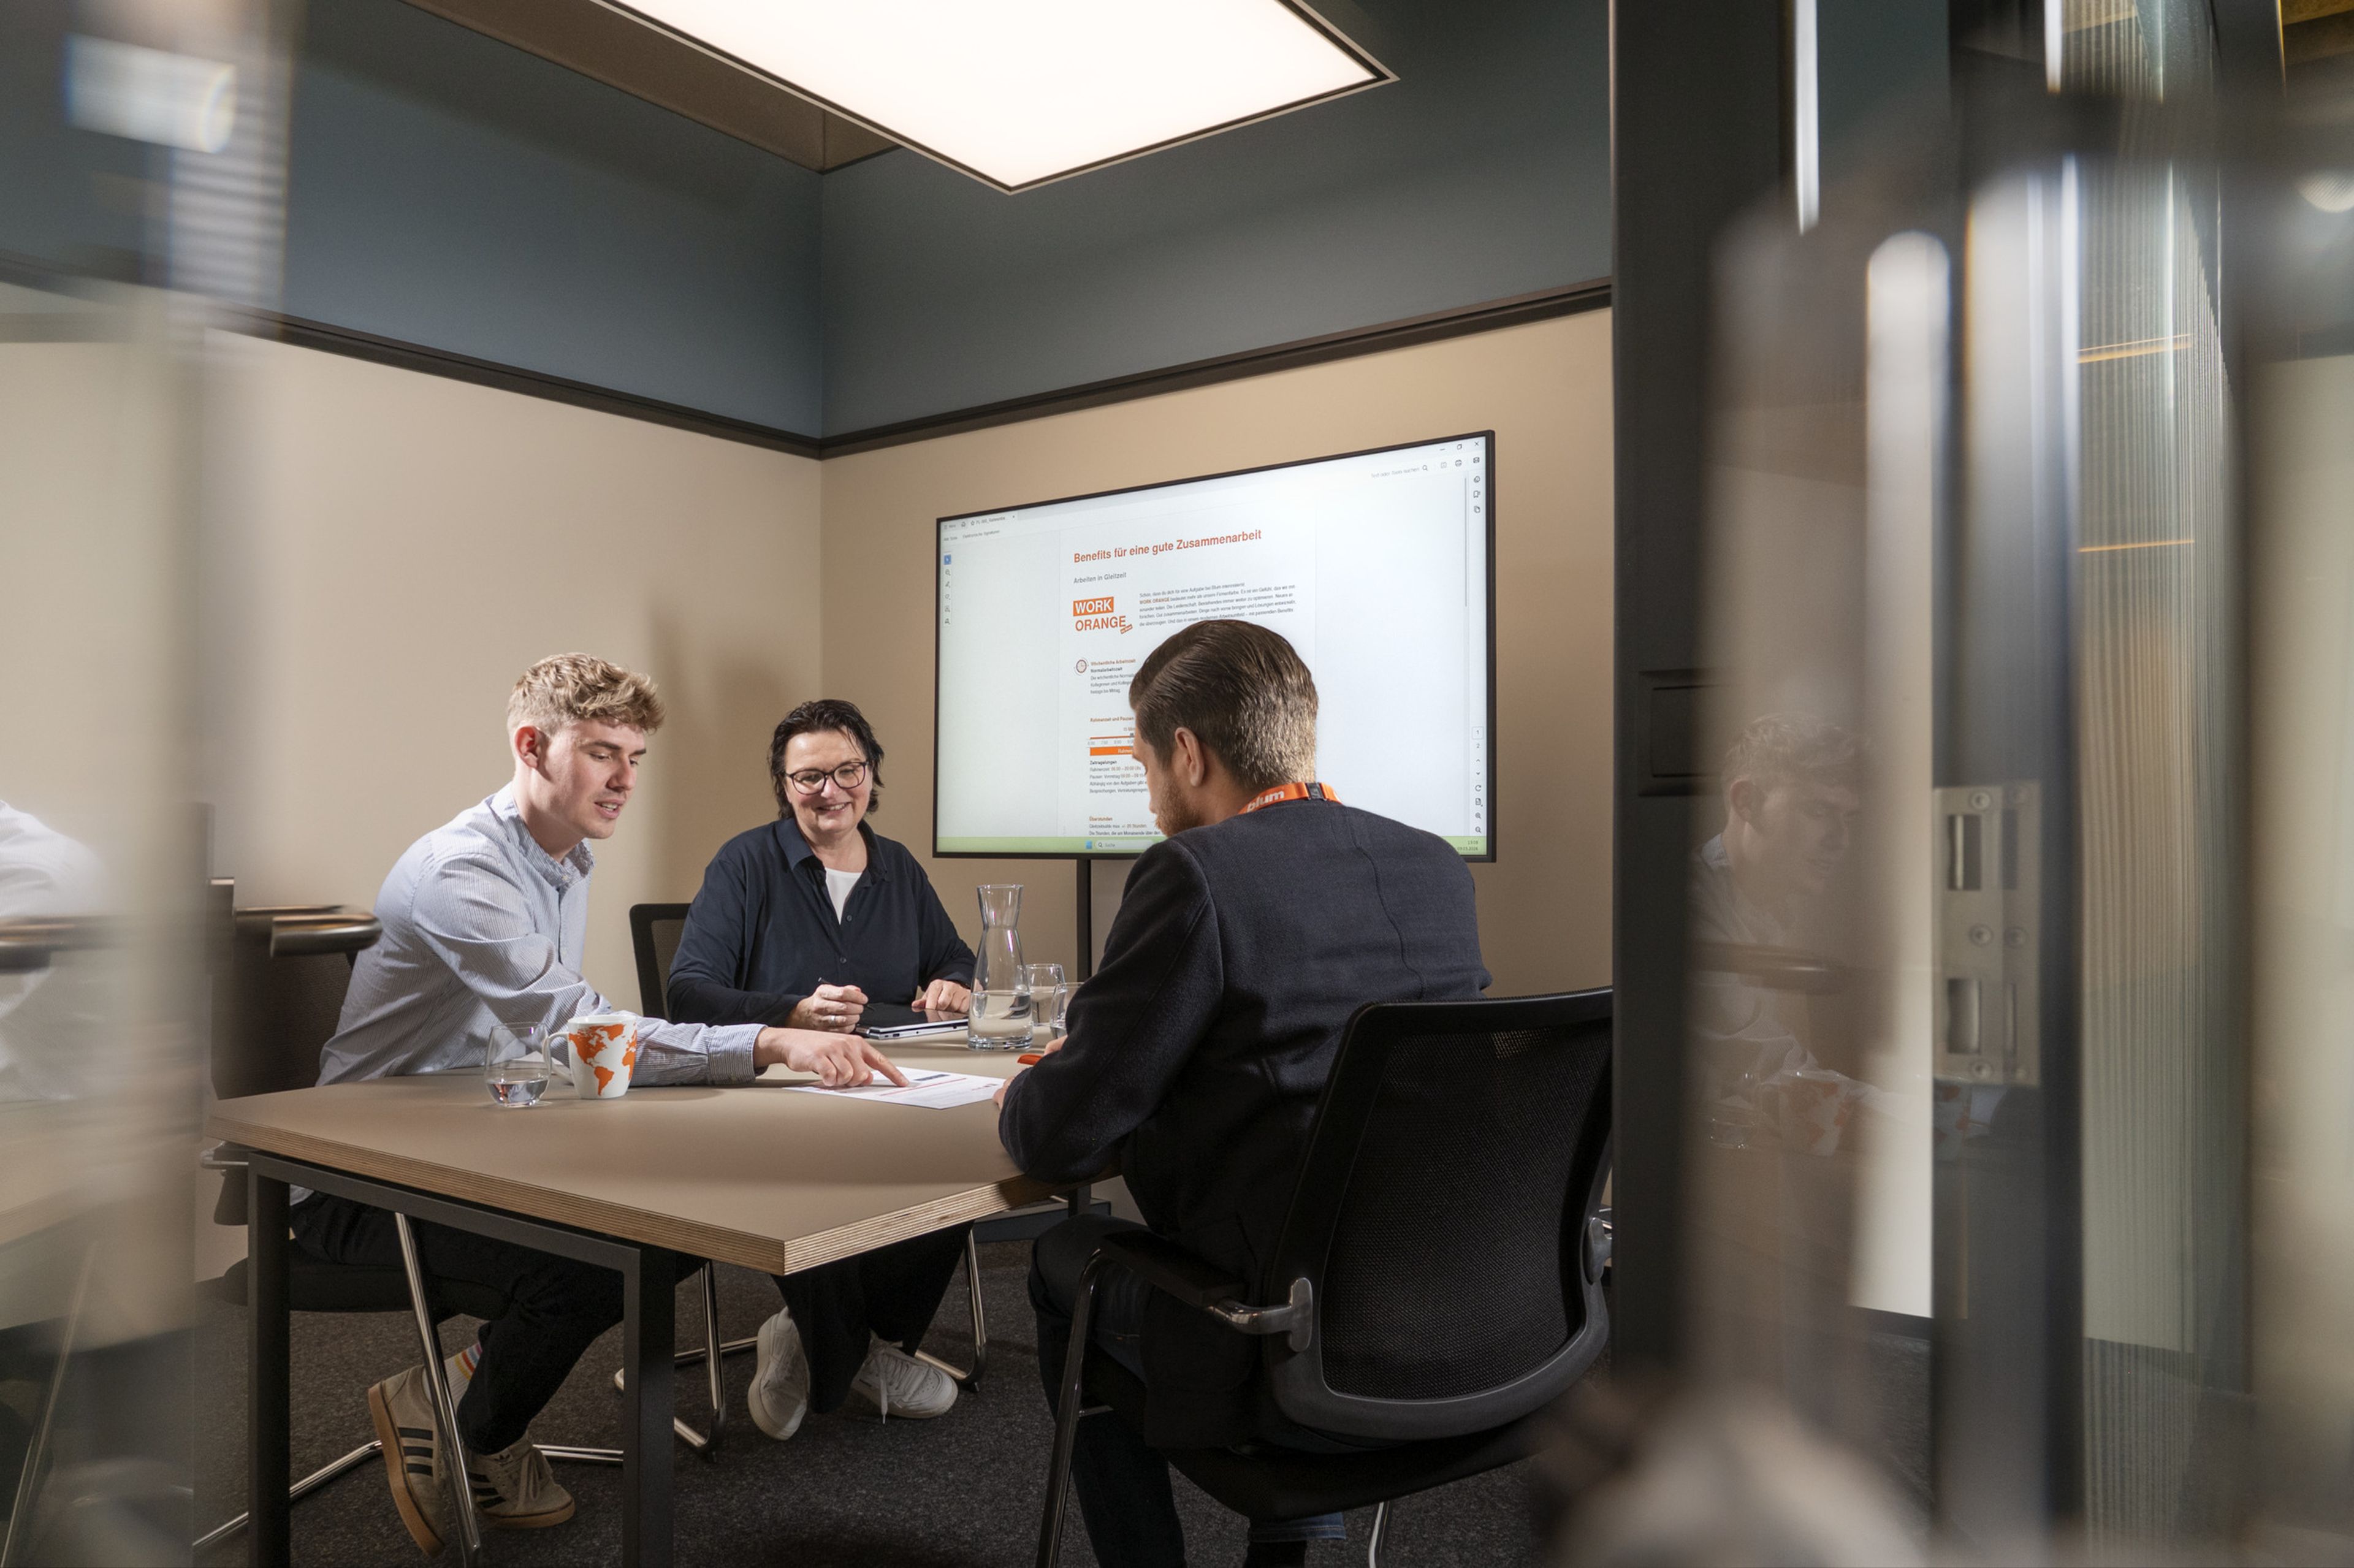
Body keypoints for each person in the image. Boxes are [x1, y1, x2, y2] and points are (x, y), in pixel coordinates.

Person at [306, 654, 904, 1556]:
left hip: (467, 1138)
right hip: (354, 1180)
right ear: (530, 745)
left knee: (671, 1235)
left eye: (636, 756)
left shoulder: (562, 856)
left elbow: (545, 1049)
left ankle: (452, 1386)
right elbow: (581, 1029)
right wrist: (770, 1040)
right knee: (599, 1259)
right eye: (601, 753)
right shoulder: (464, 871)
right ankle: (477, 1430)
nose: (625, 779)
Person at [994, 620, 1490, 1568]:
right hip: (1459, 1308)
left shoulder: (1195, 874)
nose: (1148, 790)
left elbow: (1059, 1137)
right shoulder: (1433, 862)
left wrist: (1031, 1092)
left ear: (1186, 753)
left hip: (1278, 1331)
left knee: (1068, 1259)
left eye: (1143, 763)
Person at [665, 698, 972, 1440]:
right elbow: (687, 991)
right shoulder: (746, 861)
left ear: (870, 774)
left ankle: (822, 1340)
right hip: (781, 1090)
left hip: (892, 1085)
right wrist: (793, 1013)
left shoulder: (897, 864)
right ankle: (848, 1361)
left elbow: (954, 956)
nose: (830, 790)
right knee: (815, 1183)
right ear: (783, 784)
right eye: (808, 778)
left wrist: (950, 983)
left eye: (847, 771)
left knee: (961, 1164)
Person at [1687, 711, 1865, 1105]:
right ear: (1746, 802)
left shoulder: (1794, 906)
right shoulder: (1692, 906)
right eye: (1819, 811)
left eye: (1848, 818)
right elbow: (1772, 1070)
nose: (1841, 840)